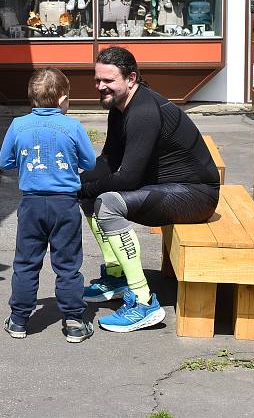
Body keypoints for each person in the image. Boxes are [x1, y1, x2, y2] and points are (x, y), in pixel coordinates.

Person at [80, 47, 220, 332]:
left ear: (131, 78)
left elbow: (128, 177)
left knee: (107, 203)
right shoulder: (120, 108)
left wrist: (87, 187)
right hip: (169, 187)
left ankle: (143, 302)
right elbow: (109, 160)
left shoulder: (143, 111)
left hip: (196, 195)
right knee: (88, 195)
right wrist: (74, 182)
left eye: (108, 80)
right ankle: (117, 277)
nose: (101, 87)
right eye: (97, 80)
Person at [0, 68, 97, 343]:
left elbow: (5, 162)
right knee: (67, 264)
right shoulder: (73, 126)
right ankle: (75, 322)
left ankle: (18, 320)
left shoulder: (18, 125)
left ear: (31, 98)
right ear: (63, 98)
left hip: (31, 204)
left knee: (26, 263)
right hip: (64, 204)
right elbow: (89, 163)